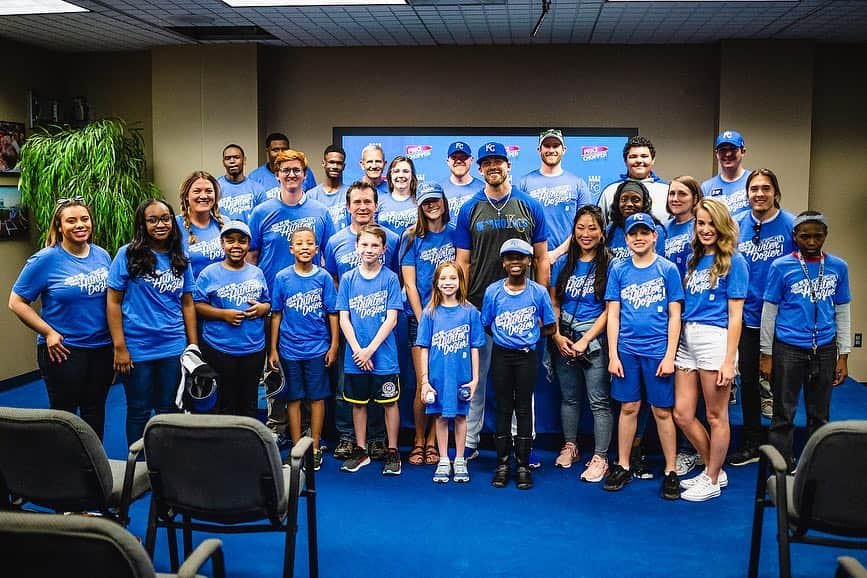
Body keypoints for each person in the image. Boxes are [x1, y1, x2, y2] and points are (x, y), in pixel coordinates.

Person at [454, 141, 549, 461]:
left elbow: (542, 259)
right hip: (481, 304)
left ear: (509, 166)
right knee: (476, 379)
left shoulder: (530, 205)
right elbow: (462, 262)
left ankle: (522, 441)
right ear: (479, 169)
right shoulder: (469, 208)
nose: (493, 166)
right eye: (487, 162)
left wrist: (541, 304)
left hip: (522, 307)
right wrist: (463, 303)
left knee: (520, 384)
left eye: (499, 161)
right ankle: (469, 440)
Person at [9, 197, 113, 439]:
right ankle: (63, 469)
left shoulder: (102, 255)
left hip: (101, 349)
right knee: (64, 415)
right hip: (64, 350)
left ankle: (94, 468)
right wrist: (48, 332)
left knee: (95, 410)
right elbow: (16, 302)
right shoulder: (45, 259)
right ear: (59, 226)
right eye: (71, 221)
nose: (80, 225)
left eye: (84, 219)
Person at [761, 211, 851, 471]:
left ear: (825, 236)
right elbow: (770, 311)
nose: (811, 241)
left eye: (817, 236)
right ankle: (780, 467)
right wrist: (766, 354)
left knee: (819, 414)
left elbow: (842, 310)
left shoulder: (838, 267)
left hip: (824, 347)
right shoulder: (781, 266)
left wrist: (842, 355)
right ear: (795, 236)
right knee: (783, 413)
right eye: (805, 236)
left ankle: (814, 468)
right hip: (788, 347)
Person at [603, 213, 684, 500]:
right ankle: (622, 464)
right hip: (627, 350)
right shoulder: (619, 269)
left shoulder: (668, 269)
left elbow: (676, 316)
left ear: (654, 236)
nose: (638, 238)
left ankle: (671, 470)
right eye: (633, 234)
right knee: (628, 408)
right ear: (626, 239)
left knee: (662, 411)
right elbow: (613, 314)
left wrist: (670, 355)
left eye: (644, 233)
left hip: (657, 351)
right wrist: (613, 354)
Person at [673, 198, 748, 501]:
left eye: (710, 223)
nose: (705, 229)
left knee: (716, 416)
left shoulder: (733, 260)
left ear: (722, 224)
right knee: (682, 413)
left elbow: (736, 316)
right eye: (700, 223)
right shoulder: (695, 259)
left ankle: (713, 477)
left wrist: (729, 360)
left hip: (714, 340)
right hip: (687, 338)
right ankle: (712, 468)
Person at [107, 199, 197, 447]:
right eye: (153, 219)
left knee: (168, 406)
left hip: (173, 345)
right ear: (142, 223)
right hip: (138, 347)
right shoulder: (127, 255)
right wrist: (119, 347)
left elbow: (187, 302)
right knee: (139, 408)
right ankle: (138, 465)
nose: (161, 224)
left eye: (166, 218)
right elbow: (113, 302)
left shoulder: (179, 256)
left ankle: (164, 460)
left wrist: (193, 345)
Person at [324, 181, 399, 462]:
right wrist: (356, 344)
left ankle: (379, 440)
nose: (363, 207)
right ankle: (348, 437)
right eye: (357, 202)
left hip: (380, 328)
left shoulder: (390, 239)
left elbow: (393, 282)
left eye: (368, 201)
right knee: (350, 387)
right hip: (351, 327)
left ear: (376, 205)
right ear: (348, 206)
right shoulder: (335, 241)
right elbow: (332, 280)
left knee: (381, 387)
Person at [728, 169, 795, 467]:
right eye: (754, 188)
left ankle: (783, 450)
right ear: (747, 193)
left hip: (783, 318)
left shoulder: (791, 225)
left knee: (782, 385)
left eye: (765, 188)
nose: (759, 193)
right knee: (750, 383)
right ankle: (753, 443)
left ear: (775, 192)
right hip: (747, 315)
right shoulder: (738, 224)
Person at [481, 238, 555, 490]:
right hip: (502, 356)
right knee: (502, 407)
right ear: (503, 262)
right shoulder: (493, 292)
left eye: (521, 257)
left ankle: (523, 465)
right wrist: (506, 336)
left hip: (526, 357)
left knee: (523, 408)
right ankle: (502, 464)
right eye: (510, 258)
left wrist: (530, 335)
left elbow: (550, 325)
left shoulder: (538, 292)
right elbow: (487, 324)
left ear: (529, 261)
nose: (515, 262)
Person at [549, 204, 613, 482]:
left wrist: (587, 339)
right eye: (580, 228)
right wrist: (556, 336)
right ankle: (571, 446)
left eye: (592, 228)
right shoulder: (563, 263)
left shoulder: (611, 265)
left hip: (594, 341)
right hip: (564, 338)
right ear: (573, 231)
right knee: (570, 398)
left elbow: (611, 309)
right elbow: (553, 302)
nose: (586, 234)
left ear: (602, 231)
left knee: (598, 401)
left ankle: (600, 456)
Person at [269, 226, 339, 471]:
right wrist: (273, 349)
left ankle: (316, 446)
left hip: (317, 348)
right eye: (299, 243)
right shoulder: (282, 278)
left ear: (317, 248)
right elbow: (276, 314)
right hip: (289, 349)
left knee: (317, 397)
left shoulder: (323, 278)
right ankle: (298, 446)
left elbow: (332, 313)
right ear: (291, 249)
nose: (305, 247)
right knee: (294, 398)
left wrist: (334, 344)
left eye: (310, 243)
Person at [336, 224, 404, 476]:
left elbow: (392, 320)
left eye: (375, 245)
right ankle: (361, 449)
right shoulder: (347, 279)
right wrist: (358, 350)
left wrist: (370, 350)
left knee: (389, 403)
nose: (369, 249)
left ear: (383, 248)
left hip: (383, 356)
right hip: (355, 356)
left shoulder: (390, 279)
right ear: (356, 246)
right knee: (357, 404)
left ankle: (393, 451)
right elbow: (344, 318)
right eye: (364, 244)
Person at [400, 182, 456, 466]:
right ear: (420, 207)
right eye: (426, 202)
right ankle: (418, 440)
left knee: (441, 381)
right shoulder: (411, 237)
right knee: (424, 382)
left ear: (444, 203)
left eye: (436, 200)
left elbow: (462, 274)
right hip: (420, 319)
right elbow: (409, 283)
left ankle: (434, 442)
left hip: (451, 319)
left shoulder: (456, 234)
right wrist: (424, 320)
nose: (432, 205)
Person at [193, 220, 270, 419]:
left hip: (253, 347)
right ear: (222, 243)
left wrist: (262, 308)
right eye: (230, 241)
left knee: (249, 400)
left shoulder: (257, 272)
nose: (236, 246)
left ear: (248, 244)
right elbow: (197, 305)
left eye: (242, 241)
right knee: (225, 400)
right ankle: (226, 447)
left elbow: (268, 303)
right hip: (220, 347)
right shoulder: (209, 274)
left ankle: (250, 444)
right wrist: (223, 314)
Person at [417, 261, 485, 483]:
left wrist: (475, 379)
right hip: (438, 376)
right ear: (436, 282)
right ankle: (444, 458)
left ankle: (459, 459)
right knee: (441, 416)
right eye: (443, 278)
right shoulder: (430, 313)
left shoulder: (470, 312)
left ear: (460, 281)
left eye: (453, 278)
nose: (448, 283)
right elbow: (424, 348)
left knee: (460, 416)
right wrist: (425, 381)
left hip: (461, 376)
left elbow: (475, 348)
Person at [247, 149, 334, 291]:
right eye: (286, 170)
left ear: (305, 175)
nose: (291, 175)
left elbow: (330, 257)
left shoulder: (321, 212)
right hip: (270, 296)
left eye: (296, 170)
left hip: (310, 298)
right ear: (277, 175)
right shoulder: (261, 212)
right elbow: (251, 256)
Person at [519, 129, 591, 262]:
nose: (551, 150)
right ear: (539, 150)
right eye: (547, 145)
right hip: (533, 258)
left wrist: (556, 253)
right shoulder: (525, 183)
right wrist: (538, 254)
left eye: (555, 145)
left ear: (564, 149)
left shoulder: (578, 183)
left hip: (569, 258)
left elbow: (585, 226)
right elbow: (519, 225)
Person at [598, 136, 669, 223]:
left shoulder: (668, 191)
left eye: (644, 156)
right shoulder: (610, 191)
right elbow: (599, 227)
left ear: (653, 160)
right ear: (625, 161)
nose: (639, 160)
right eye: (633, 156)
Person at [177, 171, 225, 279]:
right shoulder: (174, 226)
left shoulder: (225, 223)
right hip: (190, 294)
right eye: (197, 191)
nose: (203, 196)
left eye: (209, 191)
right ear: (186, 196)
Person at [606, 179, 667, 262]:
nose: (629, 204)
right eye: (624, 200)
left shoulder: (655, 229)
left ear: (644, 203)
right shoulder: (610, 231)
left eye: (636, 200)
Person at [701, 130, 750, 216]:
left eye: (733, 149)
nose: (727, 154)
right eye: (723, 150)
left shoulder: (753, 180)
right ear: (717, 154)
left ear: (743, 152)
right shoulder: (707, 187)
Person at [249, 132, 316, 195]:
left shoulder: (304, 172)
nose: (280, 153)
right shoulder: (255, 177)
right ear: (267, 150)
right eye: (275, 150)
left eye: (284, 149)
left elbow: (312, 199)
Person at [216, 144, 266, 223]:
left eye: (236, 157)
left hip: (249, 234)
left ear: (244, 160)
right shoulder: (215, 187)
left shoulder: (257, 189)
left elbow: (263, 219)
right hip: (222, 234)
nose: (232, 161)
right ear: (223, 162)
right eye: (227, 158)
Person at [664, 176, 702, 279]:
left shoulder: (701, 225)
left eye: (682, 194)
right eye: (672, 194)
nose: (675, 199)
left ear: (695, 199)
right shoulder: (663, 227)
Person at [306, 144, 350, 230]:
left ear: (344, 166)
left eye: (339, 163)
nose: (335, 166)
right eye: (331, 162)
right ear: (323, 163)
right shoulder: (311, 195)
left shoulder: (351, 193)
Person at [439, 141, 484, 221]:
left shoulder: (483, 189)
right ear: (448, 161)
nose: (459, 161)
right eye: (454, 157)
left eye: (463, 157)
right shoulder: (439, 189)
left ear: (471, 160)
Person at [378, 155, 418, 237]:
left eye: (406, 171)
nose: (401, 175)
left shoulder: (420, 201)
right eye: (396, 171)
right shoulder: (379, 200)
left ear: (412, 176)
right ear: (390, 175)